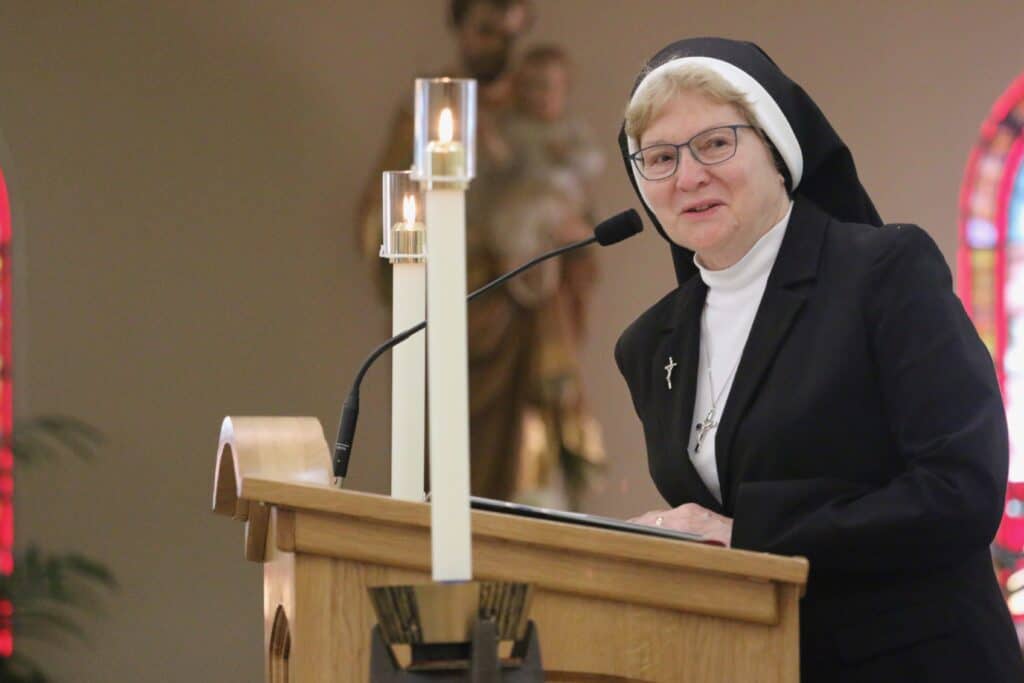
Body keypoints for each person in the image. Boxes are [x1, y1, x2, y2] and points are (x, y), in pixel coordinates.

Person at [614, 37, 1024, 681]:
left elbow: (960, 490)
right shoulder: (650, 345)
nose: (688, 176)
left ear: (778, 152)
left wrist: (745, 532)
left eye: (716, 144)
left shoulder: (884, 273)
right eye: (659, 158)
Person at [355, 0, 604, 505]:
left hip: (525, 321)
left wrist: (563, 239)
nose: (502, 47)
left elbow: (580, 227)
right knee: (443, 474)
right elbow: (379, 221)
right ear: (460, 26)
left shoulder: (540, 113)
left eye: (513, 33)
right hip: (447, 312)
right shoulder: (424, 116)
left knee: (529, 481)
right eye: (488, 31)